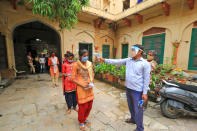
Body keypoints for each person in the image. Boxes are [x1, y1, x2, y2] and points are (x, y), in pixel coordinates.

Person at [99, 44, 151, 131]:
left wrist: (145, 93)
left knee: (138, 109)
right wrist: (104, 60)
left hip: (138, 91)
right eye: (132, 49)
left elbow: (147, 79)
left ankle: (140, 128)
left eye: (134, 50)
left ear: (140, 52)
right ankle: (133, 119)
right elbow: (117, 61)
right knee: (130, 106)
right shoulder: (128, 60)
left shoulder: (145, 64)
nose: (132, 51)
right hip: (129, 88)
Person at [71, 49, 94, 131]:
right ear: (80, 56)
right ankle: (81, 121)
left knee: (89, 105)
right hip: (81, 89)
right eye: (84, 56)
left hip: (89, 88)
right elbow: (72, 78)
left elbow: (92, 73)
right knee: (83, 107)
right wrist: (82, 85)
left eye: (87, 56)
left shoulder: (89, 64)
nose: (86, 57)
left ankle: (85, 118)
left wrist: (91, 82)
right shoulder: (76, 65)